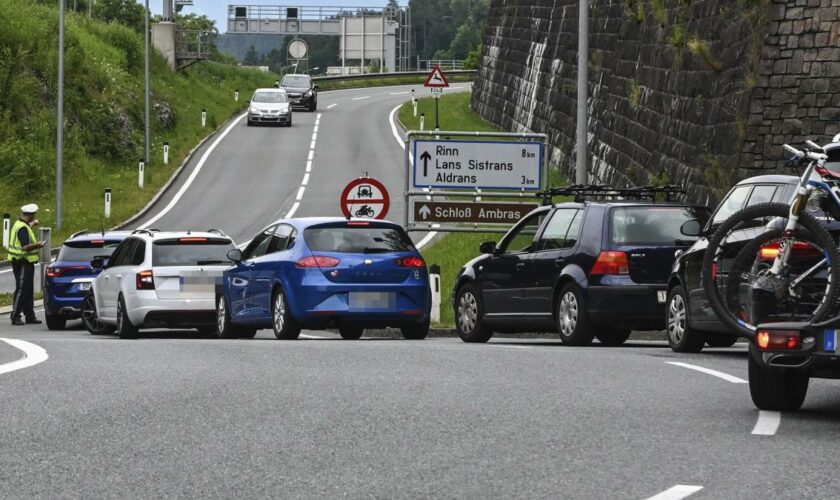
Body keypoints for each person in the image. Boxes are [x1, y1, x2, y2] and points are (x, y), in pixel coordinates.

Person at [7, 204, 45, 326]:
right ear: (30, 215)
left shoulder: (20, 224)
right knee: (22, 289)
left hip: (22, 261)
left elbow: (27, 227)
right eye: (33, 215)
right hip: (23, 261)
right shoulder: (22, 228)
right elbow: (25, 246)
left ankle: (30, 315)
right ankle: (15, 315)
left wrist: (34, 223)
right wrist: (38, 245)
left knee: (28, 289)